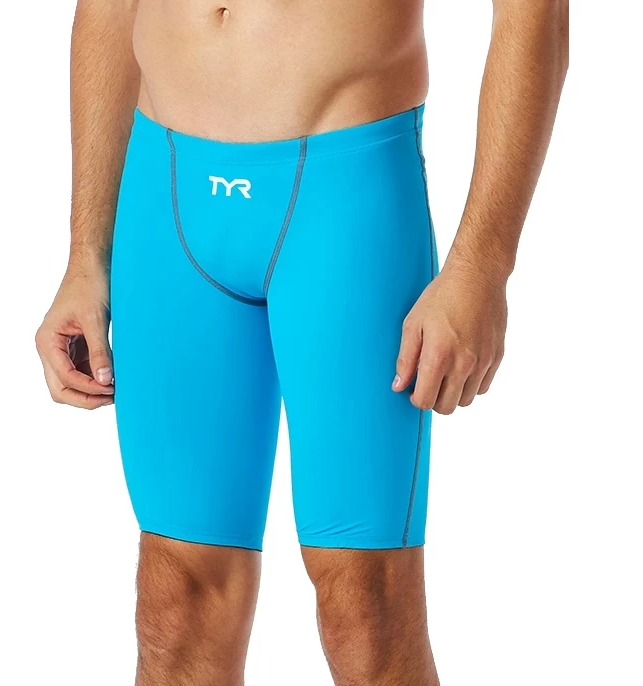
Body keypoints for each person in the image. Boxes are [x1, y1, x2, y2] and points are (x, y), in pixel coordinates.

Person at [35, 0, 568, 683]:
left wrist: (483, 267)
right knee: (176, 602)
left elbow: (534, 12)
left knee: (364, 609)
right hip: (165, 194)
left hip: (343, 196)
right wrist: (85, 255)